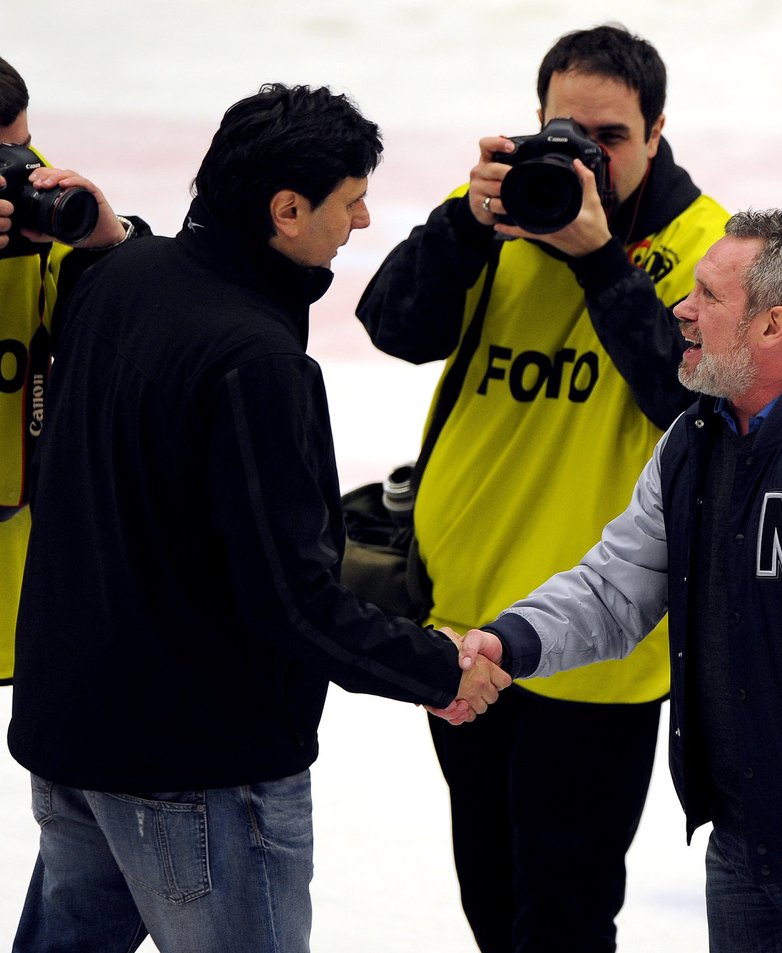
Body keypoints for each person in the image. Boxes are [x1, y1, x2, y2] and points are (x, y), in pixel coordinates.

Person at [6, 83, 511, 953]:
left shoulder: (121, 275)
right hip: (196, 771)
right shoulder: (256, 360)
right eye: (350, 201)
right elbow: (289, 600)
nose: (360, 222)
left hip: (74, 739)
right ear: (286, 210)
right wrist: (437, 668)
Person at [458, 208, 782, 952]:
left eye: (706, 294)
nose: (681, 308)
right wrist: (510, 641)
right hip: (746, 832)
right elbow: (616, 586)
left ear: (772, 326)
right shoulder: (694, 440)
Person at [356, 24, 729, 952]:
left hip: (601, 643)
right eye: (571, 133)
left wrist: (601, 259)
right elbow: (392, 328)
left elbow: (684, 393)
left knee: (563, 912)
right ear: (536, 125)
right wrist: (461, 222)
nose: (590, 160)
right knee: (490, 894)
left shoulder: (702, 244)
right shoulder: (501, 211)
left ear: (657, 133)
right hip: (464, 614)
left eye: (612, 138)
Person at [0, 55, 142, 686]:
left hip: (18, 551)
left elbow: (120, 337)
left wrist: (110, 245)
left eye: (21, 148)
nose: (14, 169)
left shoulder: (26, 187)